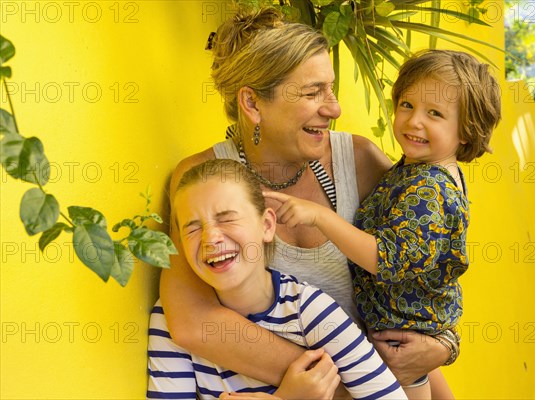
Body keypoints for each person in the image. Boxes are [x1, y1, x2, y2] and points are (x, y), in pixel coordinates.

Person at [159, 7, 452, 397]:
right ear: (252, 104)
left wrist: (444, 343)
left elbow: (417, 276)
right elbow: (193, 322)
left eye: (330, 89)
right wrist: (324, 386)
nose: (334, 108)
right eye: (313, 92)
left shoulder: (359, 162)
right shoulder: (202, 181)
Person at [264, 49, 502, 398]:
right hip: (396, 331)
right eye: (407, 105)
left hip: (401, 342)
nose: (413, 121)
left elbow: (385, 258)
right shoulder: (415, 170)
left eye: (434, 113)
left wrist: (321, 217)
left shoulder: (429, 188)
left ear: (466, 131)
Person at [147, 159, 408, 399]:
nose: (210, 237)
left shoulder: (310, 311)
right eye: (192, 227)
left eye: (227, 218)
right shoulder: (167, 318)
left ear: (267, 226)